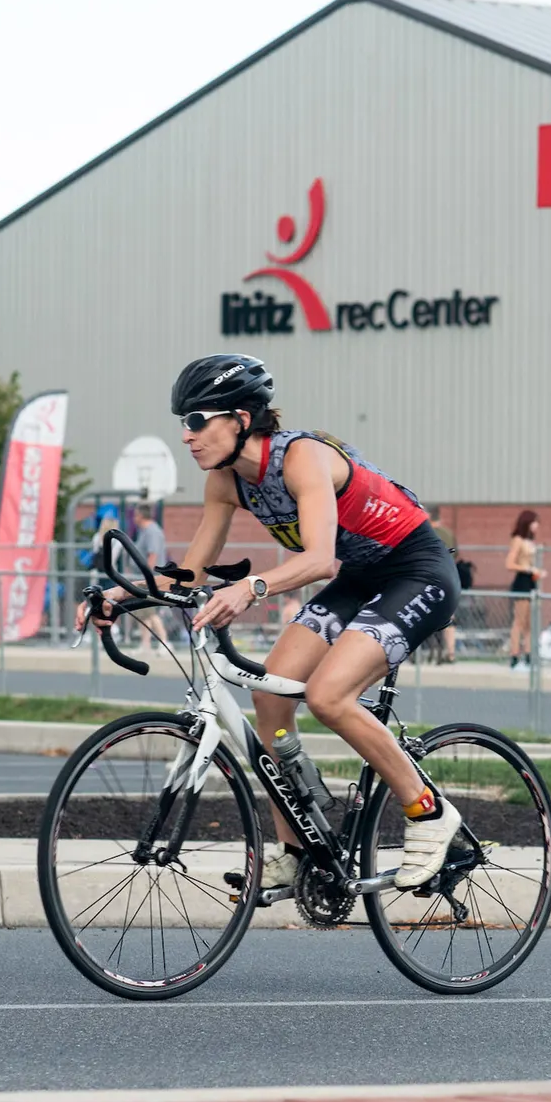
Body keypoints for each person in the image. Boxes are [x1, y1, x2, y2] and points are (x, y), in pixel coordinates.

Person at [81, 354, 462, 894]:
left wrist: (251, 586)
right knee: (271, 696)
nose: (186, 436)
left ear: (239, 419)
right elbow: (188, 574)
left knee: (330, 696)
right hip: (360, 577)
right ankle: (296, 847)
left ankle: (427, 812)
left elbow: (321, 559)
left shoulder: (302, 457)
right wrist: (120, 596)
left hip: (417, 570)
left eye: (196, 420)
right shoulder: (224, 481)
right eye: (181, 423)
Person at [504, 510, 544, 671]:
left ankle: (529, 656)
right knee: (519, 622)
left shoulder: (530, 541)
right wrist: (527, 569)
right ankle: (515, 656)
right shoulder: (518, 540)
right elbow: (509, 563)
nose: (537, 526)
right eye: (534, 522)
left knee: (529, 623)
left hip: (531, 582)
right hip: (522, 581)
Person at [131, 502, 170, 653]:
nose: (134, 518)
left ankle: (164, 642)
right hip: (143, 578)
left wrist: (147, 576)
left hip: (150, 579)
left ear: (141, 515)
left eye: (135, 514)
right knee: (142, 613)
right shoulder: (144, 531)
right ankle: (145, 644)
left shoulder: (152, 531)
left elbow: (152, 554)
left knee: (151, 612)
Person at [427, 509, 460, 662]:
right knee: (449, 617)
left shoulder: (427, 533)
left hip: (429, 578)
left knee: (426, 615)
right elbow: (456, 554)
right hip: (449, 577)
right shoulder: (448, 534)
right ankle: (450, 652)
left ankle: (426, 652)